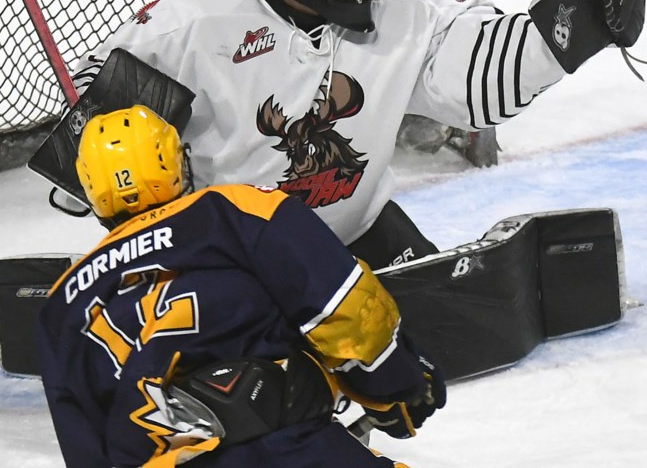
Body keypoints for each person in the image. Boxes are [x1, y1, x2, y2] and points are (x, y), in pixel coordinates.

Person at [69, 0, 647, 271]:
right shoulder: (193, 29)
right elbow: (95, 120)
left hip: (360, 232)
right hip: (234, 254)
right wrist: (112, 148)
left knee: (434, 334)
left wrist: (576, 22)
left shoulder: (403, 11)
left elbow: (482, 80)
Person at [36, 105, 447, 468]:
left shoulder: (60, 306)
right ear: (177, 162)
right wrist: (400, 384)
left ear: (92, 190)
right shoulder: (236, 209)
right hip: (288, 447)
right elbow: (344, 309)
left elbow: (83, 442)